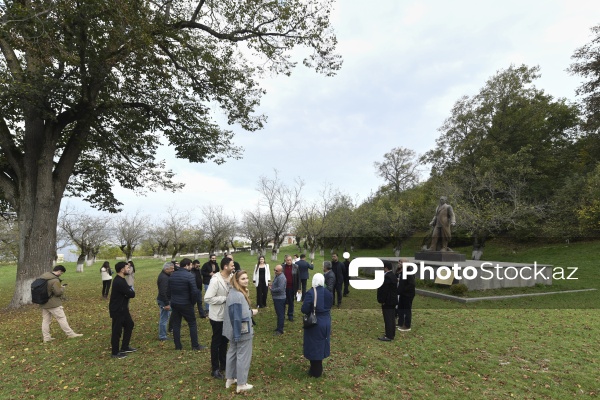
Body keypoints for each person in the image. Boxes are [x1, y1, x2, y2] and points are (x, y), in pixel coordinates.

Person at [223, 270, 258, 393]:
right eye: (243, 279)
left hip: (232, 329)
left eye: (247, 277)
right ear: (236, 281)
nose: (247, 280)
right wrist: (252, 312)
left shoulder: (233, 292)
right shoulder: (238, 295)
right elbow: (242, 315)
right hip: (242, 330)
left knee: (232, 352)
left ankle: (230, 378)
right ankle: (241, 383)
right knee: (243, 355)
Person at [205, 257, 234, 379]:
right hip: (217, 316)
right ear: (225, 266)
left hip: (228, 315)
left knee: (225, 340)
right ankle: (215, 369)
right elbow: (208, 298)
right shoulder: (215, 280)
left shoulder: (232, 277)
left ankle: (224, 364)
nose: (234, 266)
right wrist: (225, 299)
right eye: (232, 265)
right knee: (216, 342)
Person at [38, 265, 83, 343]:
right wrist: (62, 288)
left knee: (45, 320)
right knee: (61, 318)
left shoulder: (43, 277)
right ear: (59, 271)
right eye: (61, 273)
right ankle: (70, 334)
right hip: (53, 303)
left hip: (43, 302)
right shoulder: (55, 280)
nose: (60, 274)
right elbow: (58, 293)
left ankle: (46, 337)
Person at [168, 258, 205, 351]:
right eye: (191, 265)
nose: (192, 266)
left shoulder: (172, 275)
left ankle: (178, 346)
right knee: (192, 323)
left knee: (176, 324)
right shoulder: (189, 276)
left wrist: (172, 300)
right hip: (186, 303)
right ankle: (195, 345)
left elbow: (169, 290)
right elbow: (194, 292)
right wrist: (192, 302)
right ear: (187, 265)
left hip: (175, 303)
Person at [301, 273, 333, 378]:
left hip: (315, 322)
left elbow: (304, 309)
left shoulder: (311, 293)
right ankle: (316, 368)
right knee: (322, 343)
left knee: (314, 346)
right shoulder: (328, 292)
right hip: (326, 321)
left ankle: (316, 371)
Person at [109, 261, 136, 358]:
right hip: (117, 310)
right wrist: (129, 290)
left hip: (123, 308)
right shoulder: (119, 281)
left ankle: (125, 346)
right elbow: (131, 294)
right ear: (122, 270)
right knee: (117, 331)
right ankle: (115, 353)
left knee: (129, 324)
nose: (129, 269)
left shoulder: (122, 279)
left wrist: (128, 290)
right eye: (127, 268)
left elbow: (129, 292)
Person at [377, 261, 398, 342]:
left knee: (388, 318)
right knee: (392, 317)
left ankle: (388, 335)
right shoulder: (392, 275)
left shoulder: (387, 277)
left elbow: (384, 290)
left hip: (388, 301)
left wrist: (382, 300)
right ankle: (391, 333)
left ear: (386, 268)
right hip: (392, 300)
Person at [157, 261, 174, 341]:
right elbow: (162, 292)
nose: (173, 270)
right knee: (164, 319)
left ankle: (163, 334)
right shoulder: (164, 278)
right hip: (164, 301)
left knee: (165, 317)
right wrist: (167, 303)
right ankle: (162, 336)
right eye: (171, 269)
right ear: (166, 269)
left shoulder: (165, 276)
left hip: (165, 299)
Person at [397, 260, 416, 332]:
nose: (400, 264)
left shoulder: (409, 271)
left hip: (408, 294)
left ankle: (407, 325)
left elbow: (411, 284)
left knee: (407, 309)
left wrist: (403, 290)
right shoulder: (403, 270)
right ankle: (400, 323)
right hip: (403, 293)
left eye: (401, 262)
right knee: (400, 308)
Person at [281, 255, 300, 321]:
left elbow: (298, 278)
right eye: (287, 260)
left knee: (291, 302)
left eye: (290, 260)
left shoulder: (296, 267)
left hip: (292, 287)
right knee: (283, 301)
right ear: (285, 260)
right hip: (284, 288)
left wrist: (299, 288)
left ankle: (290, 315)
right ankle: (282, 315)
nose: (289, 261)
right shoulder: (282, 267)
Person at [269, 265, 287, 336]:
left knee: (280, 314)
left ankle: (280, 330)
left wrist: (272, 289)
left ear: (281, 271)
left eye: (276, 270)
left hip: (280, 298)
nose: (275, 271)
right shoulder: (277, 275)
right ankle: (279, 327)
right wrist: (272, 285)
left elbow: (281, 289)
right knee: (279, 314)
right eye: (274, 270)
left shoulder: (281, 277)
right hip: (277, 298)